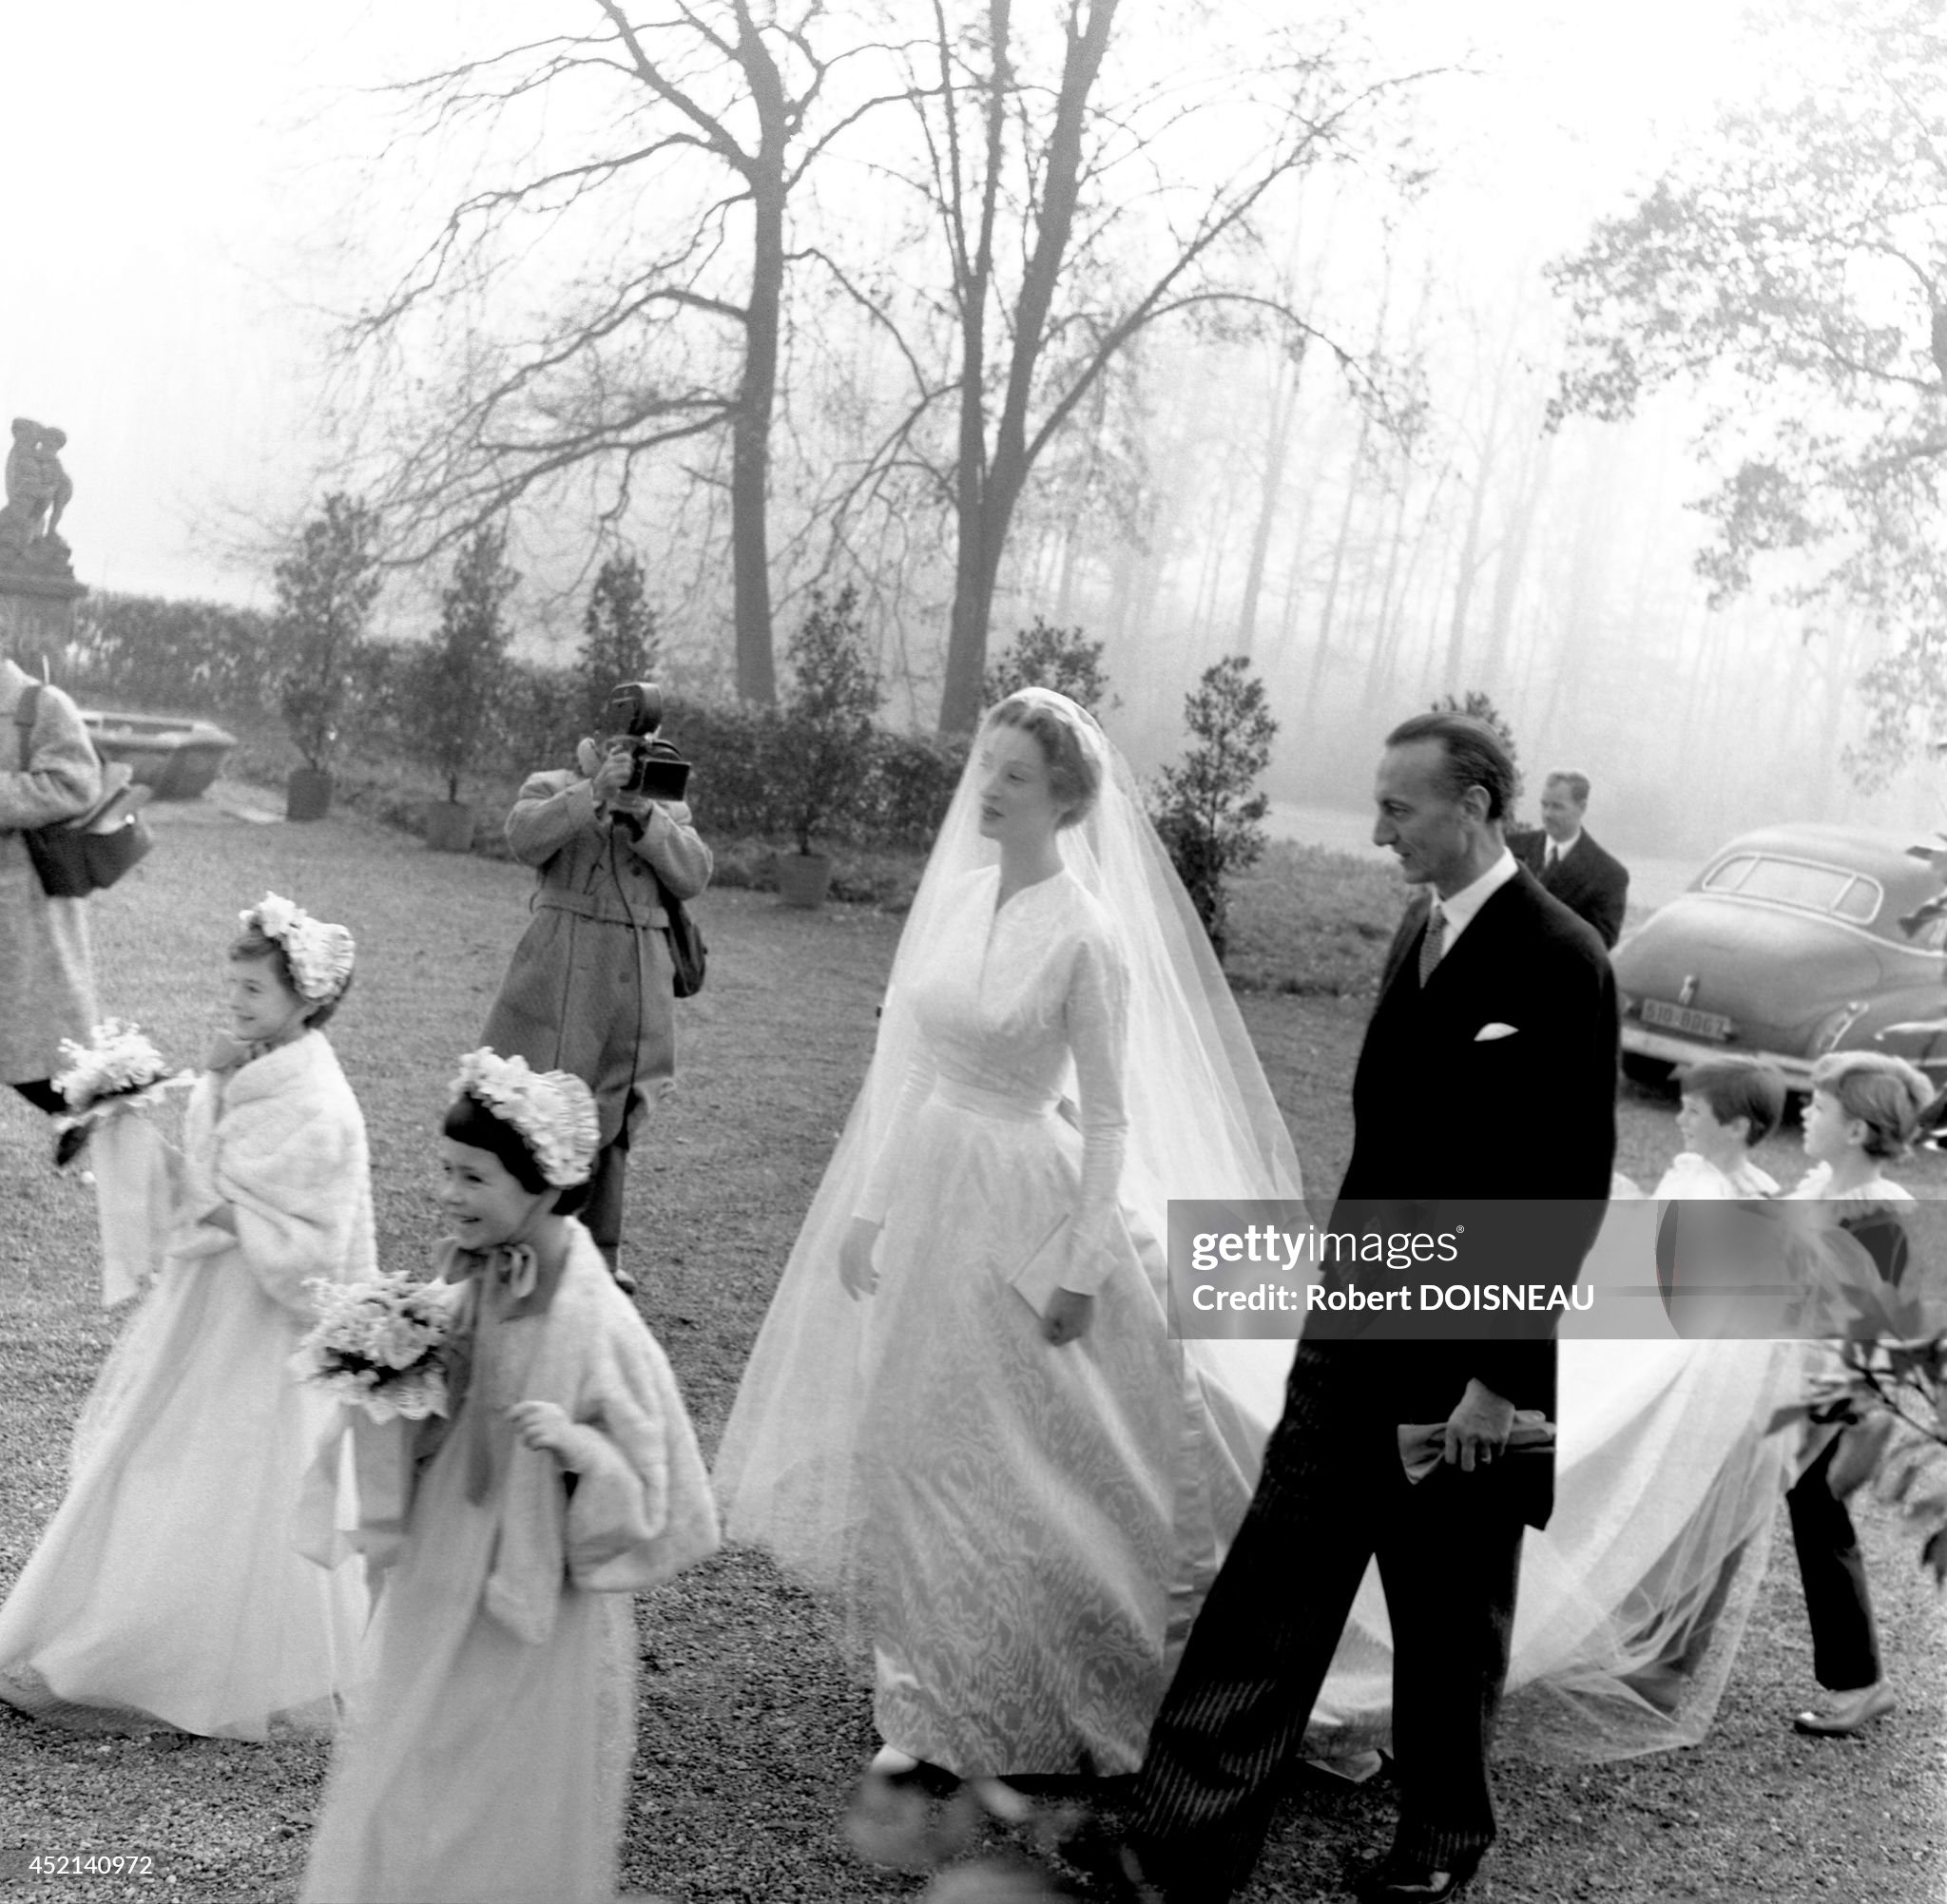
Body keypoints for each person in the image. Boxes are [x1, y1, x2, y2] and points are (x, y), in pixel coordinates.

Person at [712, 688, 1302, 1816]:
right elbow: (921, 1067)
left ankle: (983, 1705)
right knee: (905, 1432)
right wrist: (870, 1206)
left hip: (1016, 1194)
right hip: (933, 1179)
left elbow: (1112, 1118)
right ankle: (926, 1686)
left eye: (1016, 776)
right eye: (986, 764)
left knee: (989, 1448)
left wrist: (1083, 1264)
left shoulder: (1087, 929)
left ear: (1066, 801)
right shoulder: (967, 899)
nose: (987, 787)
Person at [1122, 712, 1618, 1904]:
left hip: (1463, 1355)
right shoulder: (1417, 928)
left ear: (1478, 803)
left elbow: (1566, 1187)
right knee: (1267, 1590)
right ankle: (1173, 1849)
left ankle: (1440, 1846)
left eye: (1399, 806)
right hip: (1353, 1320)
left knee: (1446, 1623)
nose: (1379, 826)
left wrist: (1497, 1377)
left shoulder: (1561, 957)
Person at [299, 1048, 719, 1904]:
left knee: (500, 1736)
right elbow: (447, 1360)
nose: (450, 1194)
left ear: (538, 1182)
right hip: (452, 1526)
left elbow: (652, 1450)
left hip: (527, 1558)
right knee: (425, 1719)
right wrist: (387, 1351)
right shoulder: (478, 1264)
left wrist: (579, 1446)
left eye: (473, 1176)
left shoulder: (589, 1305)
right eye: (445, 1171)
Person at [0, 894, 370, 1737]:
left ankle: (173, 1660)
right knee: (158, 1454)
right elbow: (208, 1174)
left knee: (220, 1475)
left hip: (255, 1318)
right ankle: (113, 1635)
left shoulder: (318, 1102)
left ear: (306, 1001)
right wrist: (148, 1132)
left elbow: (310, 1245)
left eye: (253, 992)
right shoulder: (242, 1062)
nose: (234, 1003)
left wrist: (201, 1196)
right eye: (232, 986)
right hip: (205, 1298)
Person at [480, 723, 712, 1292]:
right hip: (558, 966)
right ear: (597, 744)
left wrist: (645, 818)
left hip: (636, 977)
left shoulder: (664, 807)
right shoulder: (552, 785)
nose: (630, 759)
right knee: (532, 1100)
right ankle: (514, 1244)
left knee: (617, 1109)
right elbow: (524, 839)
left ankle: (596, 1260)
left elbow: (694, 874)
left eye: (639, 748)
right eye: (621, 748)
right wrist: (592, 796)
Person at [1779, 1049, 1927, 1739]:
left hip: (1840, 1389)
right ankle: (1668, 1651)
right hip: (1791, 1376)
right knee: (1759, 1507)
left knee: (1819, 1517)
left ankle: (1860, 1681)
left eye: (1821, 1106)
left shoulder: (1879, 1209)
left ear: (1861, 1130)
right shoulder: (1817, 1185)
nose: (1806, 1112)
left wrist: (1867, 1410)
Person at [0, 650, 101, 1125]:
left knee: (39, 1041)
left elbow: (76, 784)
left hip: (21, 904)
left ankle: (94, 1114)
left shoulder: (40, 705)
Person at [1511, 771, 1629, 950]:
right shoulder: (1511, 848)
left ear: (1582, 808)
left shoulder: (1609, 874)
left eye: (1557, 807)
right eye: (1544, 805)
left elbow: (1599, 945)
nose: (1547, 814)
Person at [1651, 1056, 1786, 1201]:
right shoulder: (1688, 1168)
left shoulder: (1743, 1198)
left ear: (1736, 1128)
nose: (1680, 1120)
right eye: (1683, 1107)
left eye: (1693, 1111)